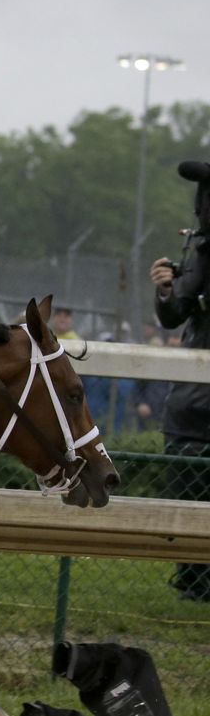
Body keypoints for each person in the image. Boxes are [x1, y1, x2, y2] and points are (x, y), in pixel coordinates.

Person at [150, 161, 210, 603]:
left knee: (190, 490)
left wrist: (170, 289)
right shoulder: (202, 249)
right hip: (195, 400)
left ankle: (194, 580)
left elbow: (176, 313)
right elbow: (177, 312)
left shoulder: (204, 249)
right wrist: (171, 285)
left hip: (195, 403)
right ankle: (194, 580)